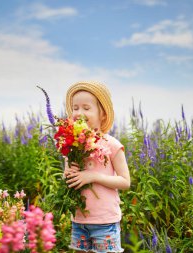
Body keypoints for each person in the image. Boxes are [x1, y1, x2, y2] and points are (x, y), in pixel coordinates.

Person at [63, 81, 131, 253]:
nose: (79, 113)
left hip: (104, 222)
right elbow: (67, 178)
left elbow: (125, 181)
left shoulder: (112, 145)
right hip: (79, 220)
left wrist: (93, 176)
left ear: (102, 113)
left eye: (86, 108)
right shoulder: (72, 146)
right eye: (75, 108)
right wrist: (69, 173)